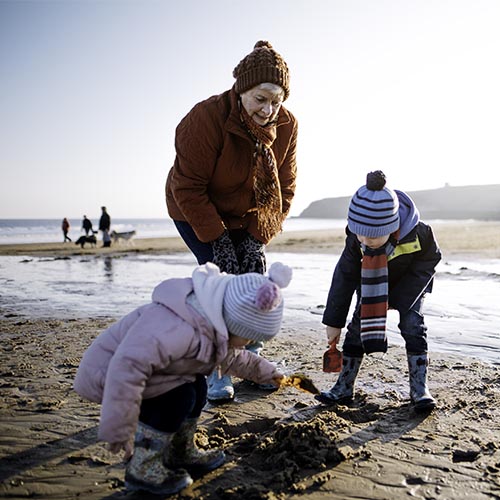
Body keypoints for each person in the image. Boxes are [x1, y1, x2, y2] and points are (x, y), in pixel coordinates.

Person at [73, 261, 292, 495]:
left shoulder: (210, 322)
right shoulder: (176, 328)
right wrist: (119, 427)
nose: (248, 344)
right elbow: (127, 369)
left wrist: (270, 373)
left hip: (145, 374)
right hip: (109, 377)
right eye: (247, 338)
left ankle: (180, 450)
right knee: (178, 397)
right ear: (230, 322)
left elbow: (234, 359)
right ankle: (143, 467)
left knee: (197, 387)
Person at [165, 40, 298, 402]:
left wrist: (256, 240)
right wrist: (219, 243)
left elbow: (284, 188)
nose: (269, 109)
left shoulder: (286, 125)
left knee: (254, 284)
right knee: (220, 288)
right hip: (195, 208)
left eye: (276, 100)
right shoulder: (203, 119)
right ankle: (219, 370)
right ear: (241, 90)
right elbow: (188, 188)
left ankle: (251, 361)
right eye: (260, 99)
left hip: (251, 214)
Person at [315, 171, 442, 413]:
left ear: (392, 225)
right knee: (355, 330)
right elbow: (344, 277)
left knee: (413, 326)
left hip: (409, 287)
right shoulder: (356, 240)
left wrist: (401, 299)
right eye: (360, 233)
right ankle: (343, 386)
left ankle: (419, 388)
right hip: (372, 284)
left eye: (373, 235)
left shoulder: (419, 233)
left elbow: (431, 260)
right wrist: (333, 321)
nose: (366, 240)